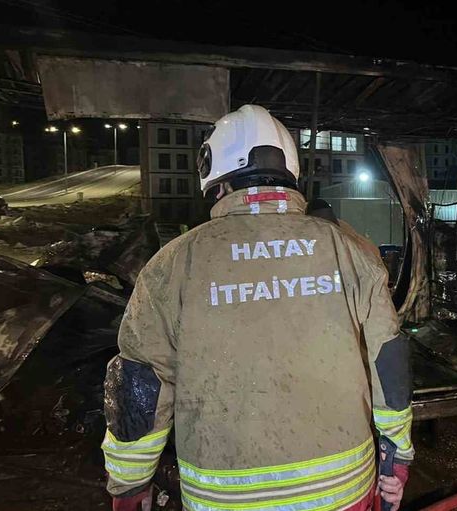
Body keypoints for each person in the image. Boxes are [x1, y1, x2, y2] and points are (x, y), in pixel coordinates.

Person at [102, 104, 413, 511]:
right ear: (290, 173)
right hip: (341, 489)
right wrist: (397, 457)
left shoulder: (172, 264)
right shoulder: (351, 250)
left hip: (223, 498)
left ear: (217, 183)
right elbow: (388, 364)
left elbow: (141, 388)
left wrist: (129, 485)